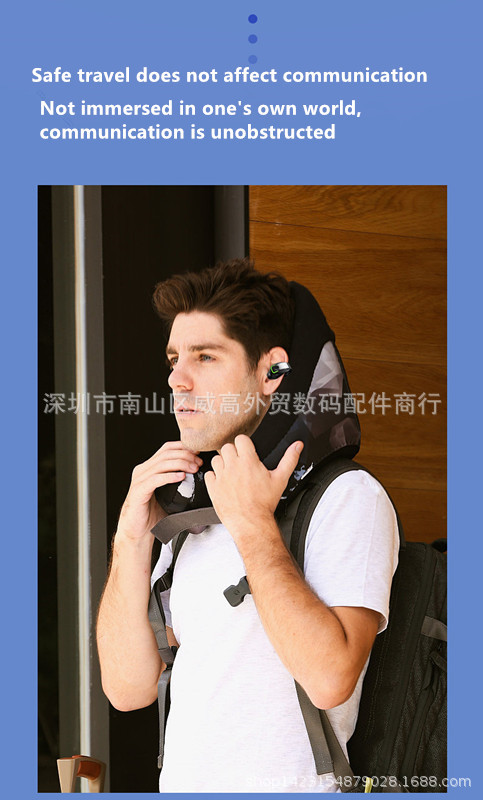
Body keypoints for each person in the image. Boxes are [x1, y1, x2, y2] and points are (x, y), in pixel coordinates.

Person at [96, 259, 399, 793]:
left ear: (272, 372)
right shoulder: (193, 514)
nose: (176, 379)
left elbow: (330, 679)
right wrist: (130, 537)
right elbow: (128, 689)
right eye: (174, 359)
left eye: (205, 356)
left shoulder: (347, 496)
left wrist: (254, 525)